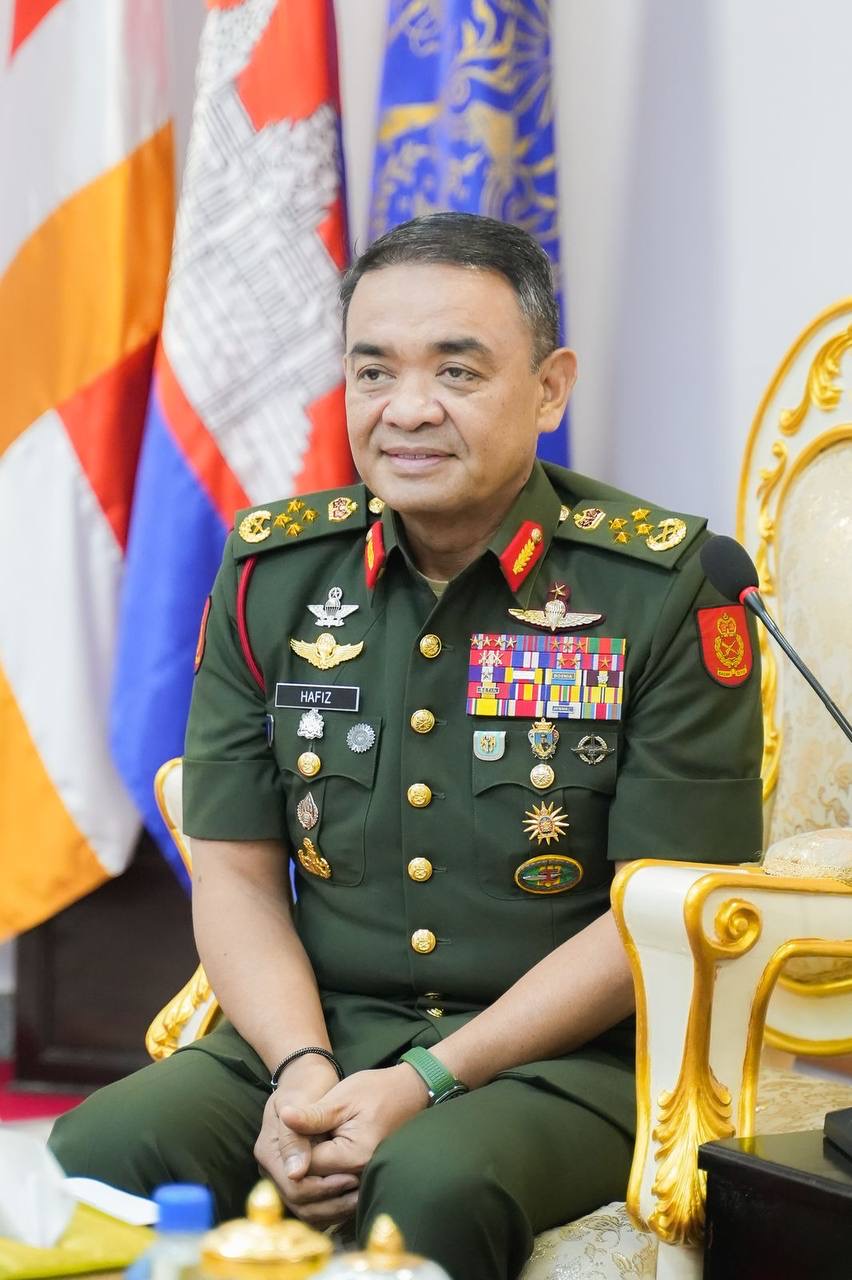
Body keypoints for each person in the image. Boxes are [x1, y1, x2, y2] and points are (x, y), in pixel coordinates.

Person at [50, 212, 763, 1279]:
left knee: (430, 1182)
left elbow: (653, 909)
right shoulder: (273, 575)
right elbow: (236, 872)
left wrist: (429, 1076)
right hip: (319, 1027)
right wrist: (299, 1068)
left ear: (550, 388)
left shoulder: (663, 589)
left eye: (458, 371)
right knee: (98, 1154)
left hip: (567, 1058)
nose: (408, 408)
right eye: (373, 370)